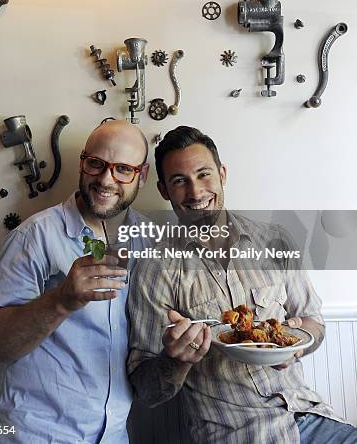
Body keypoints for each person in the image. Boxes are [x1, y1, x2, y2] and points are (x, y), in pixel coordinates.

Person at [127, 126, 357, 444]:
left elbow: (314, 325)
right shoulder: (156, 268)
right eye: (179, 181)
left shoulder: (276, 239)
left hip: (311, 418)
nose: (195, 193)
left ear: (222, 173)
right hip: (238, 434)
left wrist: (294, 347)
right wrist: (175, 360)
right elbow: (146, 390)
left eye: (204, 174)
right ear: (164, 191)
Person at [0, 119, 149, 444]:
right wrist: (61, 301)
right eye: (96, 164)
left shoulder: (149, 242)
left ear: (143, 175)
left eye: (123, 168)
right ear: (82, 163)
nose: (106, 179)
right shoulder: (34, 236)